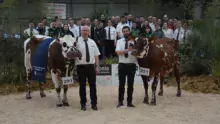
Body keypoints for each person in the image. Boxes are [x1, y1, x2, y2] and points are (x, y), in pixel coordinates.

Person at [75, 26, 100, 111]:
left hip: (91, 67)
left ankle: (94, 104)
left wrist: (97, 66)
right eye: (84, 30)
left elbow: (96, 55)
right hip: (80, 67)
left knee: (93, 86)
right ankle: (83, 104)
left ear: (89, 32)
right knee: (82, 86)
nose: (85, 32)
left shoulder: (92, 42)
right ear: (81, 31)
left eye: (87, 30)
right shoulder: (76, 42)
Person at [115, 26, 137, 108]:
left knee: (131, 85)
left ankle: (129, 102)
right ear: (122, 32)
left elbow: (137, 53)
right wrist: (128, 50)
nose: (125, 32)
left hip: (132, 65)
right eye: (124, 31)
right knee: (121, 84)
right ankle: (120, 101)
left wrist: (134, 51)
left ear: (129, 31)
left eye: (127, 31)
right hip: (122, 65)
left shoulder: (134, 41)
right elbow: (118, 52)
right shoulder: (119, 41)